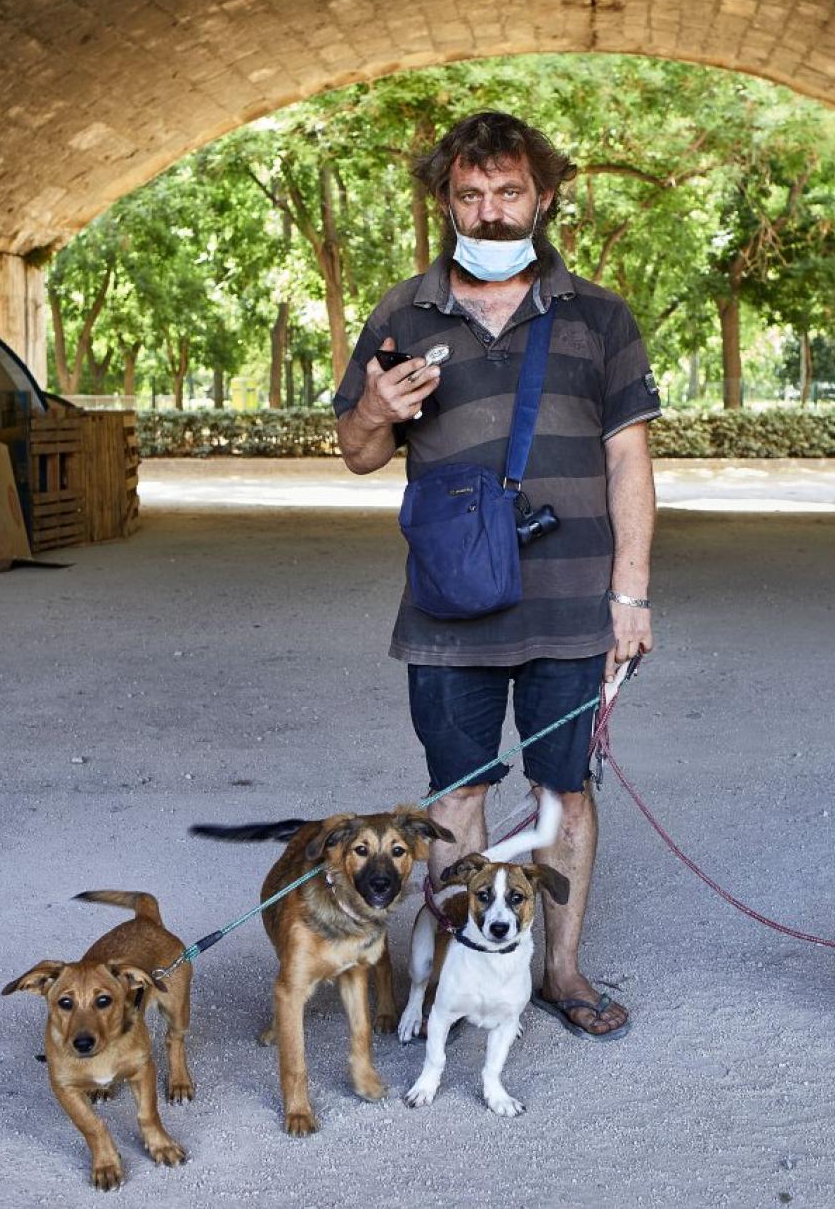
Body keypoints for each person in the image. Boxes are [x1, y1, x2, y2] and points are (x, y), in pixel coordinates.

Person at [333, 111, 660, 1040]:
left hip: (570, 605)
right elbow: (358, 453)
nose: (488, 213)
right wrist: (372, 405)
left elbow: (630, 461)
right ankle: (466, 974)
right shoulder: (403, 312)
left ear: (544, 196)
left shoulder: (598, 315)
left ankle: (560, 969)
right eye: (469, 195)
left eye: (508, 192)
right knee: (458, 795)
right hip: (448, 605)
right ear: (445, 201)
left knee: (567, 792)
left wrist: (630, 596)